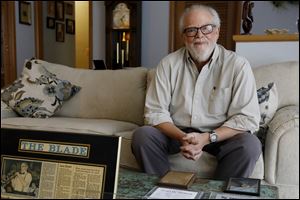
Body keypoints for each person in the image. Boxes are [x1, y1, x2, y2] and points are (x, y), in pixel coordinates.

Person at [131, 4, 261, 180]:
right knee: (143, 136)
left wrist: (207, 137)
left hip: (220, 136)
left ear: (217, 31)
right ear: (184, 36)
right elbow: (155, 113)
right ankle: (164, 189)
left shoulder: (238, 66)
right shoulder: (168, 64)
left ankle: (219, 195)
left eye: (206, 28)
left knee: (250, 144)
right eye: (191, 30)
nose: (199, 35)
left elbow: (246, 119)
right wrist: (184, 137)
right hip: (177, 133)